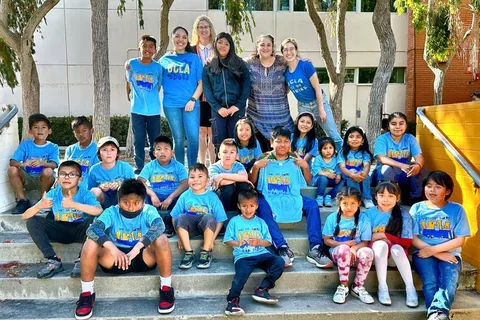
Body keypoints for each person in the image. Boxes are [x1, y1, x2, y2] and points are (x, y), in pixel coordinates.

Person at [75, 179, 175, 320]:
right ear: (118, 201)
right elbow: (93, 229)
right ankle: (87, 294)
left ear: (143, 202)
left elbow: (159, 226)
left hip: (143, 256)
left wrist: (136, 249)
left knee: (162, 238)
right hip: (115, 258)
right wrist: (114, 249)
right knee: (90, 242)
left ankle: (166, 289)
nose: (131, 207)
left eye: (136, 203)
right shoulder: (111, 212)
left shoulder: (149, 210)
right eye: (126, 202)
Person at [250, 126, 331, 268]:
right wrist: (256, 167)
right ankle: (281, 247)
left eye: (286, 141)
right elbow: (253, 183)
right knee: (261, 205)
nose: (282, 144)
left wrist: (305, 166)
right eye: (278, 141)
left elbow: (307, 181)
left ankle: (315, 247)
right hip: (269, 197)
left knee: (312, 205)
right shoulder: (264, 157)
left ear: (290, 142)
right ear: (271, 142)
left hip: (292, 195)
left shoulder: (294, 158)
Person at [22, 161, 102, 279]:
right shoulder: (54, 193)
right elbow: (24, 216)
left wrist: (74, 205)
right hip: (59, 228)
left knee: (94, 220)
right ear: (58, 178)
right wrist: (39, 206)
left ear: (80, 179)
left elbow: (99, 210)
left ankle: (82, 260)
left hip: (80, 230)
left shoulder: (85, 194)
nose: (67, 177)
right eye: (63, 174)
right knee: (32, 221)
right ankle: (53, 260)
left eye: (72, 174)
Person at [411, 171, 470, 320]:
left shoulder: (457, 210)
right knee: (431, 280)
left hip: (450, 254)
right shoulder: (417, 209)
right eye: (428, 186)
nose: (432, 190)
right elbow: (412, 238)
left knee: (449, 279)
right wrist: (435, 253)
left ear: (447, 191)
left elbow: (459, 240)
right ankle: (438, 315)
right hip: (423, 253)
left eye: (438, 187)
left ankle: (436, 313)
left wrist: (436, 250)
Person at [223, 190, 285, 316]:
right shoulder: (234, 221)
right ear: (239, 206)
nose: (248, 209)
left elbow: (268, 242)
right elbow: (227, 240)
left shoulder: (261, 222)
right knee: (240, 276)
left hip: (262, 254)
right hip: (243, 257)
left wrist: (258, 242)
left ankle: (262, 289)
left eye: (251, 206)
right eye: (244, 206)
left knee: (279, 261)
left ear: (256, 206)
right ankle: (232, 302)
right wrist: (238, 243)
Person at [281, 37, 342, 151]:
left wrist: (321, 109)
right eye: (285, 50)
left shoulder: (305, 65)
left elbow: (317, 88)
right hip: (303, 106)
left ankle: (344, 158)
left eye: (291, 49)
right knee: (303, 137)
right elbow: (287, 90)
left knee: (333, 135)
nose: (289, 52)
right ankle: (303, 159)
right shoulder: (285, 72)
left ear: (296, 50)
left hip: (318, 102)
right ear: (282, 52)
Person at [366, 181, 418, 307]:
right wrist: (384, 240)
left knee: (396, 248)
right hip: (376, 256)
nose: (386, 200)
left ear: (398, 197)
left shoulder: (404, 215)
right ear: (375, 196)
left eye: (390, 196)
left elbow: (406, 242)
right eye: (382, 195)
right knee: (381, 245)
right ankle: (382, 287)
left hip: (395, 258)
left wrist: (384, 236)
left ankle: (410, 289)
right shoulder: (368, 214)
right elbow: (367, 239)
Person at [170, 163, 227, 269]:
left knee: (209, 217)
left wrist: (212, 240)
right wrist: (179, 237)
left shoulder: (212, 197)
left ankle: (205, 251)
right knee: (181, 217)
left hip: (206, 229)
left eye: (200, 176)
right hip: (189, 229)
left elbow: (220, 220)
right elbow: (174, 217)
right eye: (192, 177)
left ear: (208, 180)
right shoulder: (185, 195)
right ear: (188, 180)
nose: (196, 180)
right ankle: (188, 252)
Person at [159, 26, 203, 167]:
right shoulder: (164, 59)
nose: (180, 40)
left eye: (184, 37)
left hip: (191, 104)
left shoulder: (194, 58)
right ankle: (179, 170)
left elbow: (201, 83)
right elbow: (155, 82)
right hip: (171, 105)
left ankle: (192, 169)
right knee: (178, 138)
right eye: (177, 36)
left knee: (193, 138)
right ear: (172, 38)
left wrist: (193, 99)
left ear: (187, 40)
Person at [322, 187, 374, 305]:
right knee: (343, 249)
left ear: (359, 203)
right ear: (339, 203)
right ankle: (343, 286)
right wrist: (342, 245)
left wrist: (354, 248)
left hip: (355, 255)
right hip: (338, 254)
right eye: (345, 203)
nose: (349, 207)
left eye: (353, 203)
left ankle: (358, 286)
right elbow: (326, 240)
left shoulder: (363, 219)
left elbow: (365, 242)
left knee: (367, 252)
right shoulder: (332, 218)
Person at [203, 32, 251, 154]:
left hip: (236, 109)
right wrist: (218, 108)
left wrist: (237, 105)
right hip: (218, 111)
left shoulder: (239, 64)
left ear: (231, 46)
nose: (222, 46)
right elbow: (207, 89)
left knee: (237, 141)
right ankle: (220, 170)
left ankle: (238, 169)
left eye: (226, 43)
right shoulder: (209, 65)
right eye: (219, 43)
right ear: (215, 44)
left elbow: (246, 86)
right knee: (220, 143)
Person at [245, 34, 294, 151]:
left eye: (268, 45)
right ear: (257, 47)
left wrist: (304, 60)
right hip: (257, 119)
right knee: (262, 157)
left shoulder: (282, 62)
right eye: (262, 45)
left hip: (281, 118)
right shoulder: (248, 63)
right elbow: (231, 63)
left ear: (273, 47)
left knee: (284, 154)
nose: (265, 48)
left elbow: (295, 62)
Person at [125, 35, 163, 174]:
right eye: (144, 46)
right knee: (138, 140)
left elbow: (158, 87)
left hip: (153, 111)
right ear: (139, 48)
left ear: (155, 50)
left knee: (155, 140)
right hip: (137, 110)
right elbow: (128, 82)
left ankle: (155, 165)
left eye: (150, 47)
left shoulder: (158, 68)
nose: (147, 49)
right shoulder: (132, 64)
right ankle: (139, 166)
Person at [138, 136, 188, 237]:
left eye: (166, 149)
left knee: (185, 197)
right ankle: (151, 223)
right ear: (154, 153)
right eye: (159, 149)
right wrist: (152, 195)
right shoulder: (150, 166)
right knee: (141, 194)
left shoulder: (178, 166)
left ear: (172, 152)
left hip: (173, 197)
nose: (162, 152)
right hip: (156, 198)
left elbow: (185, 183)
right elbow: (140, 181)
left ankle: (169, 224)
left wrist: (170, 197)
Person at [9, 113, 59, 214]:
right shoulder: (25, 145)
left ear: (49, 131)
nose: (40, 130)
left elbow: (54, 164)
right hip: (27, 178)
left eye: (43, 127)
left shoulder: (53, 147)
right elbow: (12, 162)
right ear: (30, 131)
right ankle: (22, 200)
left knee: (48, 171)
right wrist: (23, 164)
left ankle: (42, 200)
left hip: (43, 179)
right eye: (36, 127)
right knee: (12, 169)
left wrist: (41, 163)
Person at [373, 112, 427, 205]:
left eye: (401, 123)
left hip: (404, 171)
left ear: (406, 126)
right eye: (393, 124)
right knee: (386, 169)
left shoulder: (410, 138)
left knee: (422, 169)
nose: (397, 127)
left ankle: (413, 200)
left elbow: (419, 156)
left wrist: (418, 165)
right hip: (386, 171)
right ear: (389, 126)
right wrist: (401, 165)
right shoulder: (382, 139)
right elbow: (381, 158)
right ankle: (385, 199)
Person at [192, 15, 216, 165]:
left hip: (214, 95)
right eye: (200, 27)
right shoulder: (191, 49)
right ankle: (202, 164)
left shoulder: (218, 48)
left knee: (212, 132)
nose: (203, 29)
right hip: (196, 94)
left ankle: (213, 164)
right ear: (196, 30)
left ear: (210, 29)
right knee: (201, 131)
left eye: (206, 26)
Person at [88, 137, 135, 209]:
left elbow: (134, 188)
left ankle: (124, 215)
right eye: (104, 150)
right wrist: (100, 187)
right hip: (103, 202)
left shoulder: (126, 167)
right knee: (95, 191)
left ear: (117, 153)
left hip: (123, 202)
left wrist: (121, 185)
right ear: (99, 153)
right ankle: (97, 216)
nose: (108, 153)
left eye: (112, 150)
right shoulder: (94, 169)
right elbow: (90, 191)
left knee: (124, 189)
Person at [208, 138, 252, 211]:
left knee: (243, 185)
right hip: (217, 199)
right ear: (219, 155)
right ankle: (223, 213)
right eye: (225, 152)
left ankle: (240, 211)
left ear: (236, 156)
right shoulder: (213, 168)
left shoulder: (238, 165)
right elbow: (221, 182)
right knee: (229, 188)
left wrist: (222, 176)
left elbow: (244, 177)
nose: (228, 155)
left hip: (233, 197)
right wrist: (237, 179)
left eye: (232, 152)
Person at [338, 126, 374, 209]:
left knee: (366, 177)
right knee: (352, 178)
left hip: (360, 173)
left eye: (358, 137)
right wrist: (352, 174)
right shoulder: (343, 152)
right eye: (351, 137)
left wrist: (364, 173)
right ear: (347, 140)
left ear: (362, 141)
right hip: (346, 174)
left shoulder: (364, 153)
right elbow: (342, 167)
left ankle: (367, 198)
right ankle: (356, 198)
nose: (354, 139)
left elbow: (366, 165)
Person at [64, 116, 99, 189]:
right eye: (77, 132)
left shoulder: (98, 149)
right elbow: (65, 169)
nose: (81, 134)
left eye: (84, 131)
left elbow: (96, 173)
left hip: (88, 186)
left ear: (91, 131)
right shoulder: (70, 149)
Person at [311, 137, 343, 207]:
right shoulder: (318, 159)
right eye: (325, 148)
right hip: (319, 181)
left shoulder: (336, 159)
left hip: (332, 180)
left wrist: (338, 175)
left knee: (344, 181)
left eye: (330, 148)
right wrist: (327, 174)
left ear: (334, 149)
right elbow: (317, 171)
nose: (328, 151)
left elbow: (338, 169)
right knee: (323, 178)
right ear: (320, 150)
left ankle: (329, 196)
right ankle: (320, 197)